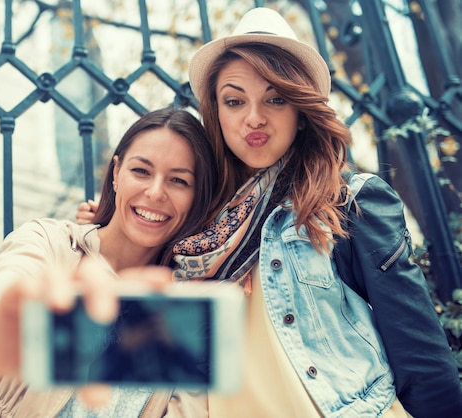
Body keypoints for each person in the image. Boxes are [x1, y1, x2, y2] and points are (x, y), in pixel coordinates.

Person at [76, 7, 462, 418]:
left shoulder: (346, 202)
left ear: (300, 111)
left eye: (275, 99)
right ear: (216, 113)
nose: (253, 117)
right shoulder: (196, 227)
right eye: (234, 100)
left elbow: (419, 354)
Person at [0, 107, 217, 418]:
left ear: (197, 195)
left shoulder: (186, 306)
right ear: (116, 173)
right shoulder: (50, 242)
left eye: (178, 181)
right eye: (141, 171)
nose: (155, 192)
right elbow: (5, 286)